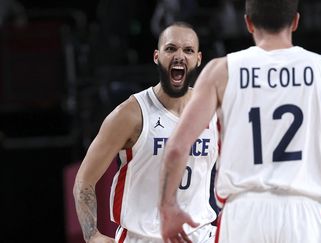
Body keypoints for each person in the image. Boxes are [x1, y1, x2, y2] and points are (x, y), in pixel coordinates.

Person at [158, 0, 321, 242]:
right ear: (295, 21)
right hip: (306, 213)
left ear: (248, 23)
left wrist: (168, 207)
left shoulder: (221, 71)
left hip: (243, 213)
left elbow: (177, 148)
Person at [73, 22, 218, 243]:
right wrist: (92, 234)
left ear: (198, 59)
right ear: (157, 57)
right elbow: (84, 180)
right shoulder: (131, 114)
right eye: (171, 49)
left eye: (188, 50)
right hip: (144, 237)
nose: (179, 55)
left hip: (201, 236)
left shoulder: (213, 110)